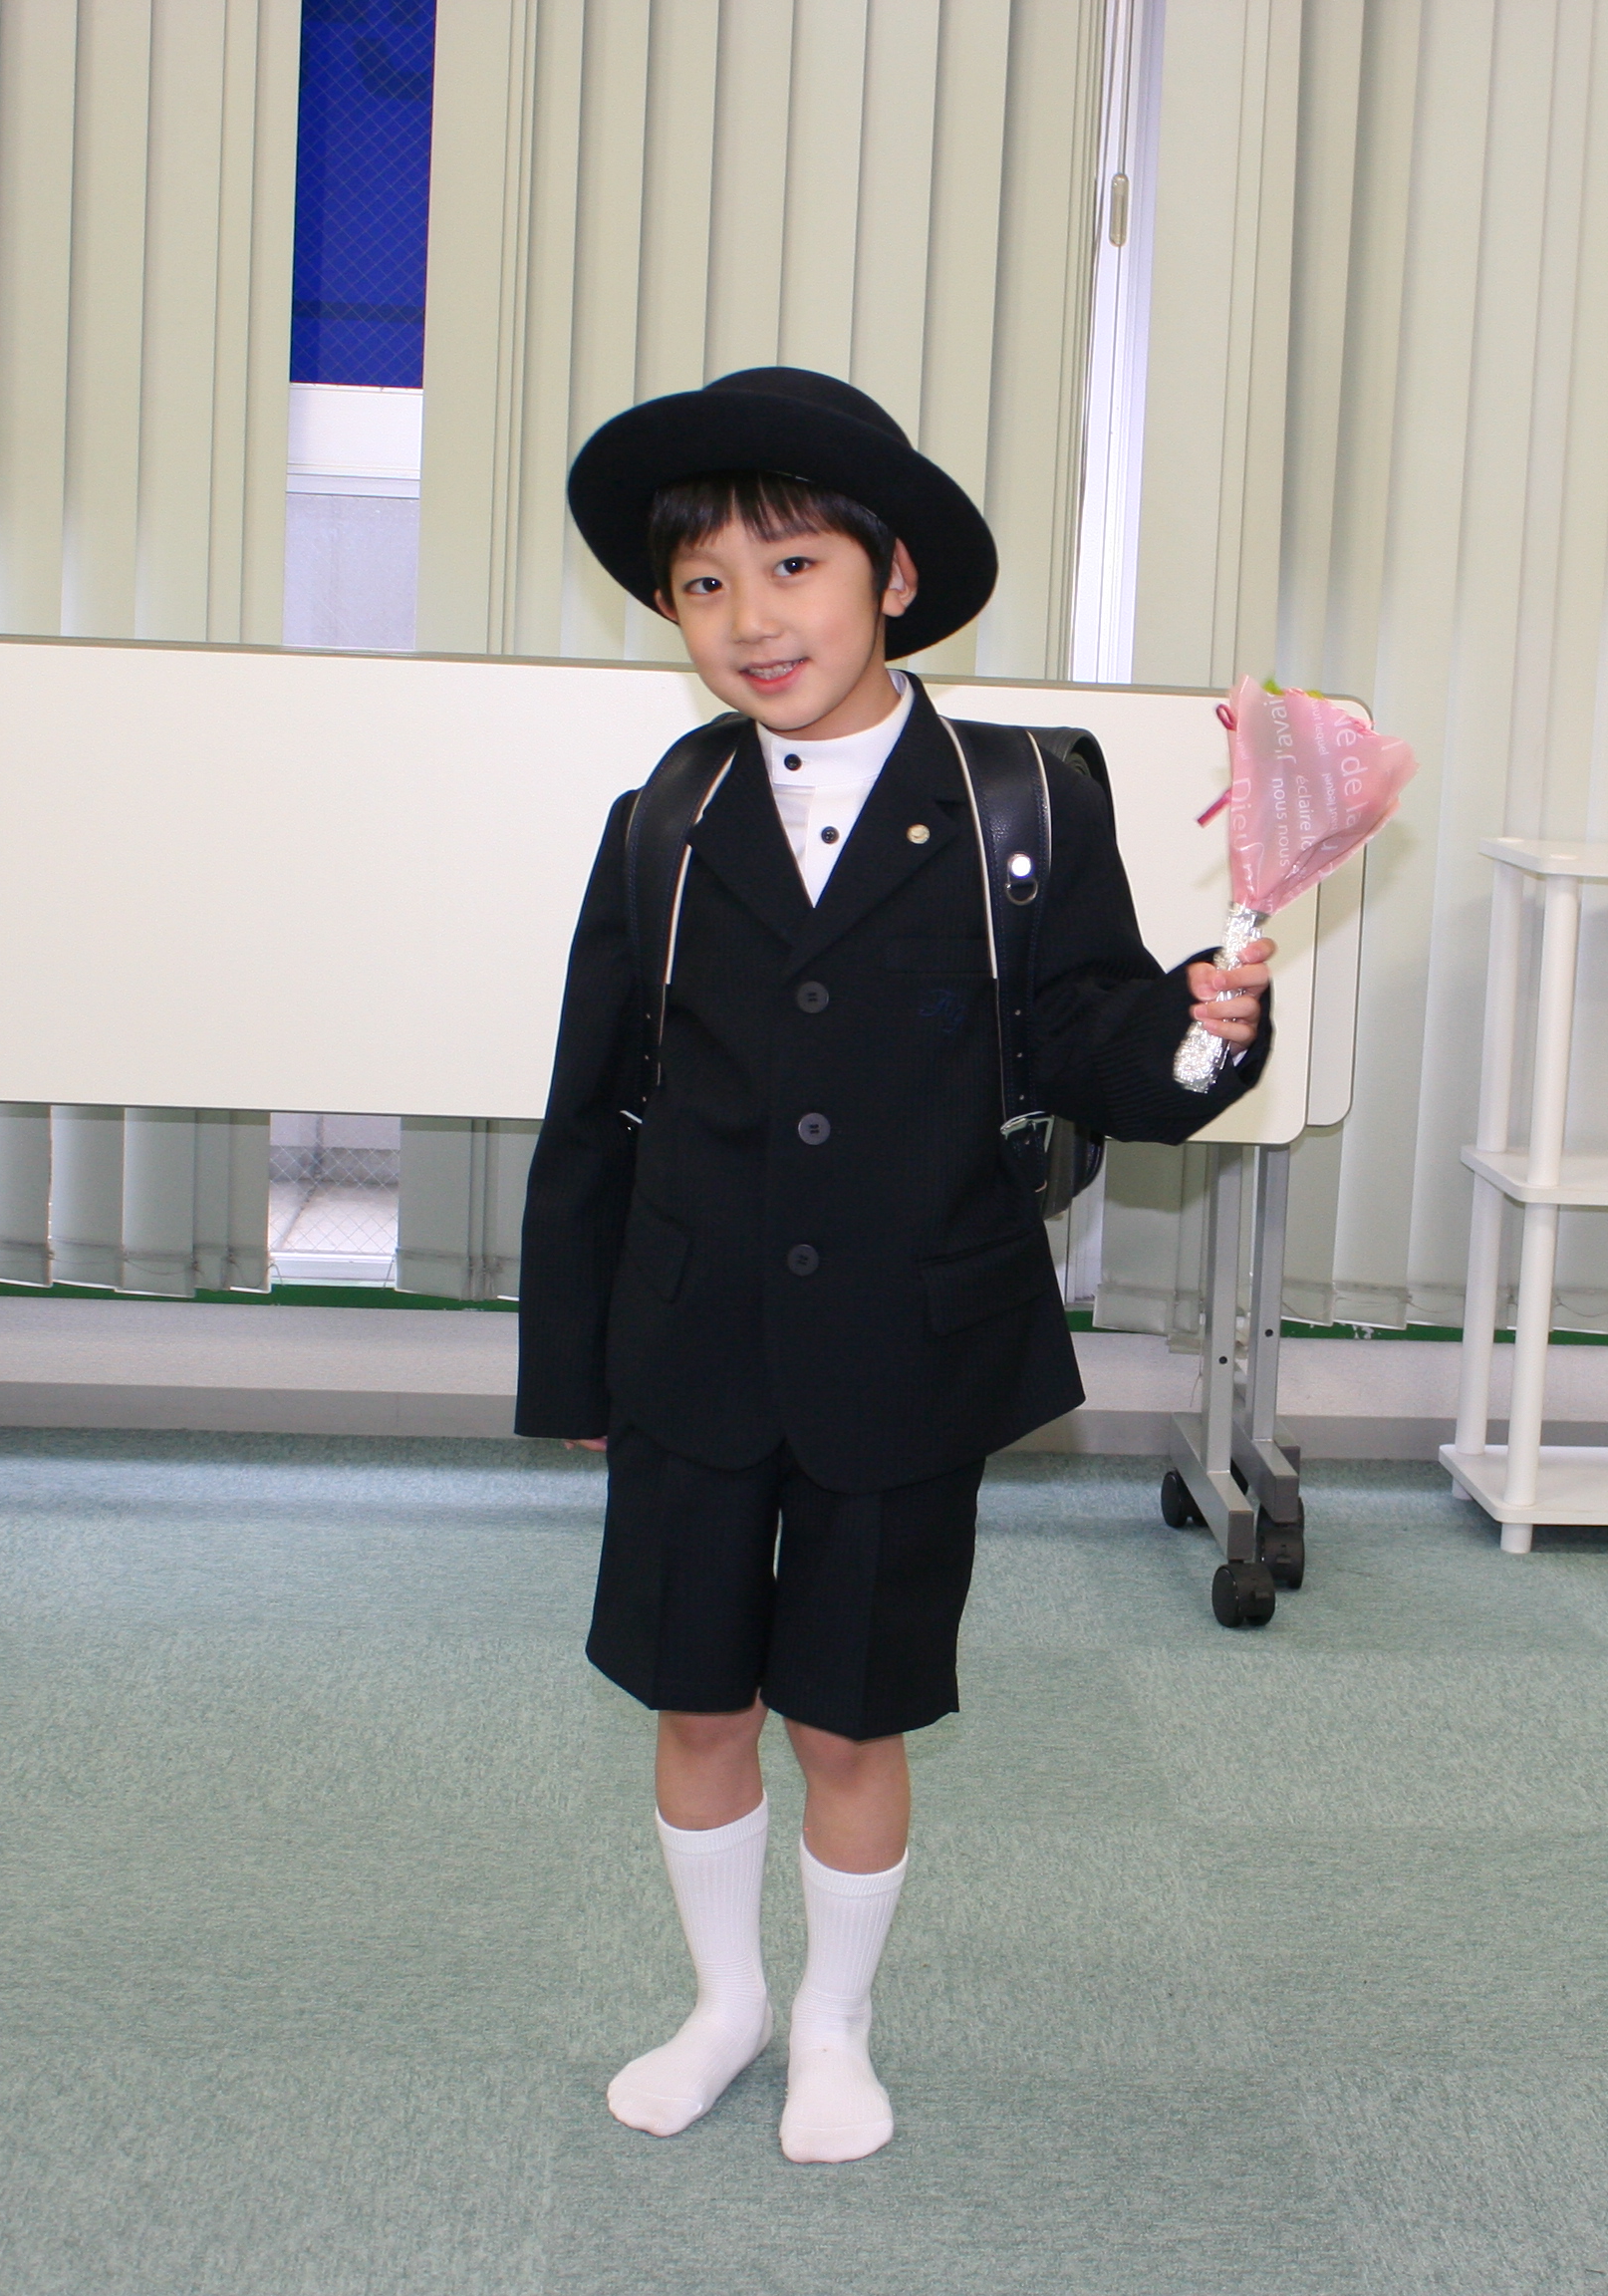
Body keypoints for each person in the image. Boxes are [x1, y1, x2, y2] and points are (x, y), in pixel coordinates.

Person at [517, 368, 1273, 2163]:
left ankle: (834, 2029)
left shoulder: (1021, 800)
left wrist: (1198, 1031)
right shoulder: (665, 817)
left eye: (792, 567)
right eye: (705, 584)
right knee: (696, 1698)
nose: (750, 618)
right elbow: (595, 1102)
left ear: (895, 578)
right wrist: (575, 1365)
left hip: (905, 1343)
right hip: (692, 1339)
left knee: (849, 1719)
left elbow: (1094, 1043)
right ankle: (725, 2003)